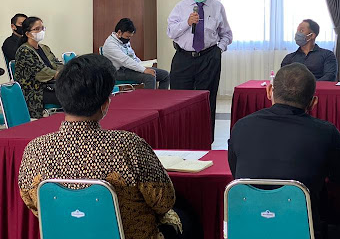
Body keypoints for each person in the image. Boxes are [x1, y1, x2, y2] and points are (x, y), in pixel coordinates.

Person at [18, 54, 202, 239]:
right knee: (187, 214)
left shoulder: (34, 150)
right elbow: (164, 201)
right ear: (105, 105)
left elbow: (32, 203)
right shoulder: (128, 146)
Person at [228, 63, 340, 239]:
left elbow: (236, 173)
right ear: (313, 102)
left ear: (269, 91)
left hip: (248, 229)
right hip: (303, 230)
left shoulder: (241, 126)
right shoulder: (326, 132)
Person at [167, 0, 233, 138]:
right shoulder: (181, 7)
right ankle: (180, 139)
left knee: (207, 100)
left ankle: (205, 139)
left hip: (209, 57)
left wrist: (219, 50)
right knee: (179, 100)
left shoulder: (217, 7)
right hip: (183, 58)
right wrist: (187, 22)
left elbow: (227, 34)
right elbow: (170, 32)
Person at [14, 17, 62, 118]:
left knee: (77, 91)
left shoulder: (44, 48)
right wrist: (63, 74)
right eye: (37, 29)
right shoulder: (24, 51)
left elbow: (57, 64)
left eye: (42, 28)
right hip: (35, 93)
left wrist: (66, 71)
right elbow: (42, 73)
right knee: (72, 96)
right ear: (28, 34)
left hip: (51, 86)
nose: (41, 31)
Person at [102, 18, 170, 90]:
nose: (128, 39)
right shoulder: (110, 45)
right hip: (118, 72)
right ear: (119, 32)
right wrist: (143, 70)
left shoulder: (123, 40)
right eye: (127, 36)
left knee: (165, 75)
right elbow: (125, 60)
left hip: (130, 68)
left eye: (130, 37)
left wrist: (142, 65)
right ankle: (149, 98)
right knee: (150, 77)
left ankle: (160, 96)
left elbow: (132, 56)